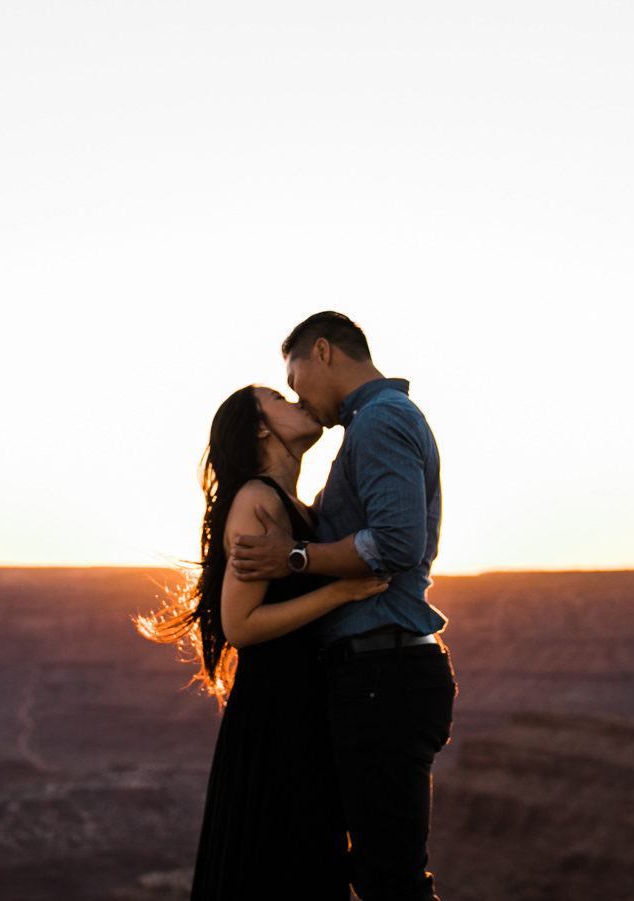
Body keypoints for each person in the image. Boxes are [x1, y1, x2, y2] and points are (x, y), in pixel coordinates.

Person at [230, 311, 455, 901]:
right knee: (379, 873)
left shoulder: (379, 422)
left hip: (385, 675)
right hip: (382, 675)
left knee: (390, 881)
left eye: (294, 375)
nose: (298, 392)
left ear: (323, 352)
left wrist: (296, 558)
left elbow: (397, 544)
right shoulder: (372, 425)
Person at [141, 383, 390, 901]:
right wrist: (340, 592)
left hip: (303, 706)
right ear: (260, 428)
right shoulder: (257, 499)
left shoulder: (301, 509)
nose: (298, 401)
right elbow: (241, 625)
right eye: (278, 398)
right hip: (275, 712)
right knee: (277, 867)